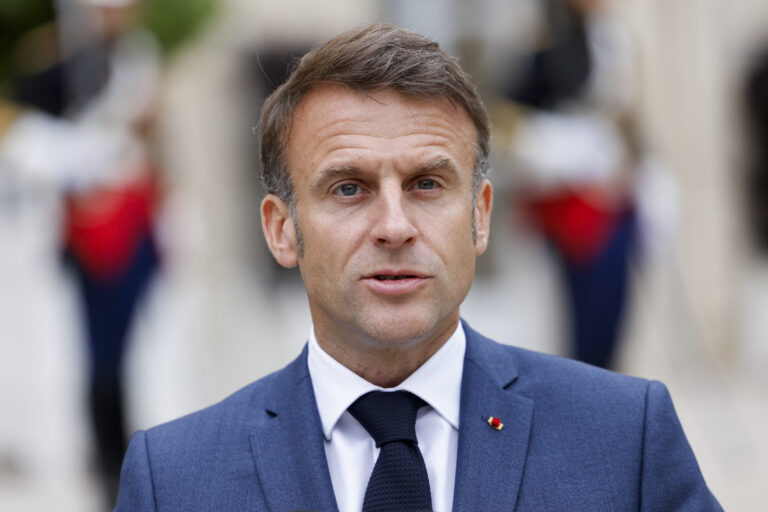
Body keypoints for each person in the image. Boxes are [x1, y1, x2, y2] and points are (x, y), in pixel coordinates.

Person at [115, 23, 721, 511]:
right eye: (349, 189)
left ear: (480, 217)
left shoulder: (624, 440)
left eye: (427, 184)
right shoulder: (172, 481)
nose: (395, 225)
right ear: (281, 229)